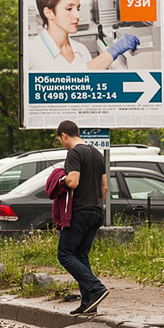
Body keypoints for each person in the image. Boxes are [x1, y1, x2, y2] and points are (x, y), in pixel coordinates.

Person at [55, 120, 109, 314]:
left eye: (60, 139)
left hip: (80, 212)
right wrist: (96, 204)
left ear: (64, 135)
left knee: (65, 254)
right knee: (80, 255)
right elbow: (104, 187)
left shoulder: (74, 153)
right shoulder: (96, 153)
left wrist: (61, 178)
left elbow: (73, 182)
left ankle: (96, 288)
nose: (62, 142)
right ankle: (88, 303)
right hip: (96, 211)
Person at [27, 0, 139, 72]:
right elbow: (65, 82)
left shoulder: (82, 50)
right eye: (69, 9)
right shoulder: (33, 51)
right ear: (49, 13)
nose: (77, 15)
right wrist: (113, 51)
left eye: (78, 8)